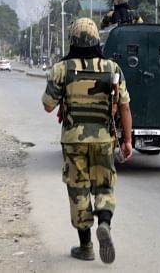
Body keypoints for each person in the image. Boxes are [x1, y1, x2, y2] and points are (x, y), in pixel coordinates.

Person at [41, 17, 133, 264]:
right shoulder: (112, 69)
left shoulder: (62, 69)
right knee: (104, 186)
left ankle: (86, 246)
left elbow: (48, 106)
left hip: (73, 140)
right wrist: (127, 141)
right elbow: (124, 107)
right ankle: (104, 223)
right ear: (96, 40)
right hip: (104, 139)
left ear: (72, 39)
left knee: (79, 189)